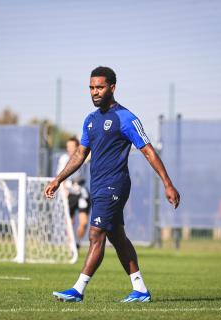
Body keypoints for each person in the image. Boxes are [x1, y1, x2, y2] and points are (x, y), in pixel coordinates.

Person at [44, 66, 180, 303]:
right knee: (117, 237)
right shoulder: (90, 120)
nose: (95, 92)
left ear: (112, 87)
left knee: (96, 233)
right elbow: (79, 155)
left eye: (100, 87)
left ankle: (78, 289)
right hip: (97, 187)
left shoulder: (126, 118)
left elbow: (148, 151)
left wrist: (168, 184)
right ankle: (140, 289)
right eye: (91, 87)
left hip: (115, 185)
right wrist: (58, 179)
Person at [57, 137, 90, 248]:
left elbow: (91, 154)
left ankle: (78, 243)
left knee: (84, 223)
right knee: (69, 223)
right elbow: (60, 176)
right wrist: (64, 190)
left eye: (72, 146)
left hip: (82, 193)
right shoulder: (64, 159)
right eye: (68, 147)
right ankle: (71, 244)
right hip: (69, 193)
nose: (69, 149)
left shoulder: (83, 156)